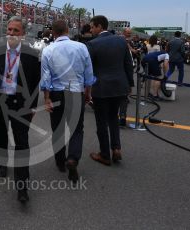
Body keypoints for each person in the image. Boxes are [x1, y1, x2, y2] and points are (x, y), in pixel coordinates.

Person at [0, 16, 40, 203]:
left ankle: (22, 186)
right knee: (0, 135)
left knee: (22, 142)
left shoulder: (31, 54)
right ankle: (2, 163)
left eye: (16, 31)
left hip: (21, 103)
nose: (11, 33)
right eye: (9, 30)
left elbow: (36, 82)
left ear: (23, 34)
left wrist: (33, 105)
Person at [40, 20, 95, 183]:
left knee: (57, 129)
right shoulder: (81, 47)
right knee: (76, 129)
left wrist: (46, 98)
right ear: (67, 30)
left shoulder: (48, 50)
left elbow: (45, 77)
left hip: (56, 93)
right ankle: (73, 158)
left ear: (53, 33)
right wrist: (88, 93)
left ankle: (60, 162)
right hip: (75, 91)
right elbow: (89, 74)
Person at [86, 15, 134, 166]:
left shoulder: (92, 44)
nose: (91, 30)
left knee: (101, 122)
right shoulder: (121, 41)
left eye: (92, 27)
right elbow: (128, 64)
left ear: (100, 26)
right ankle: (116, 148)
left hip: (101, 88)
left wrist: (87, 89)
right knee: (113, 117)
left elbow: (89, 70)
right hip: (120, 86)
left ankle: (105, 154)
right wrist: (130, 85)